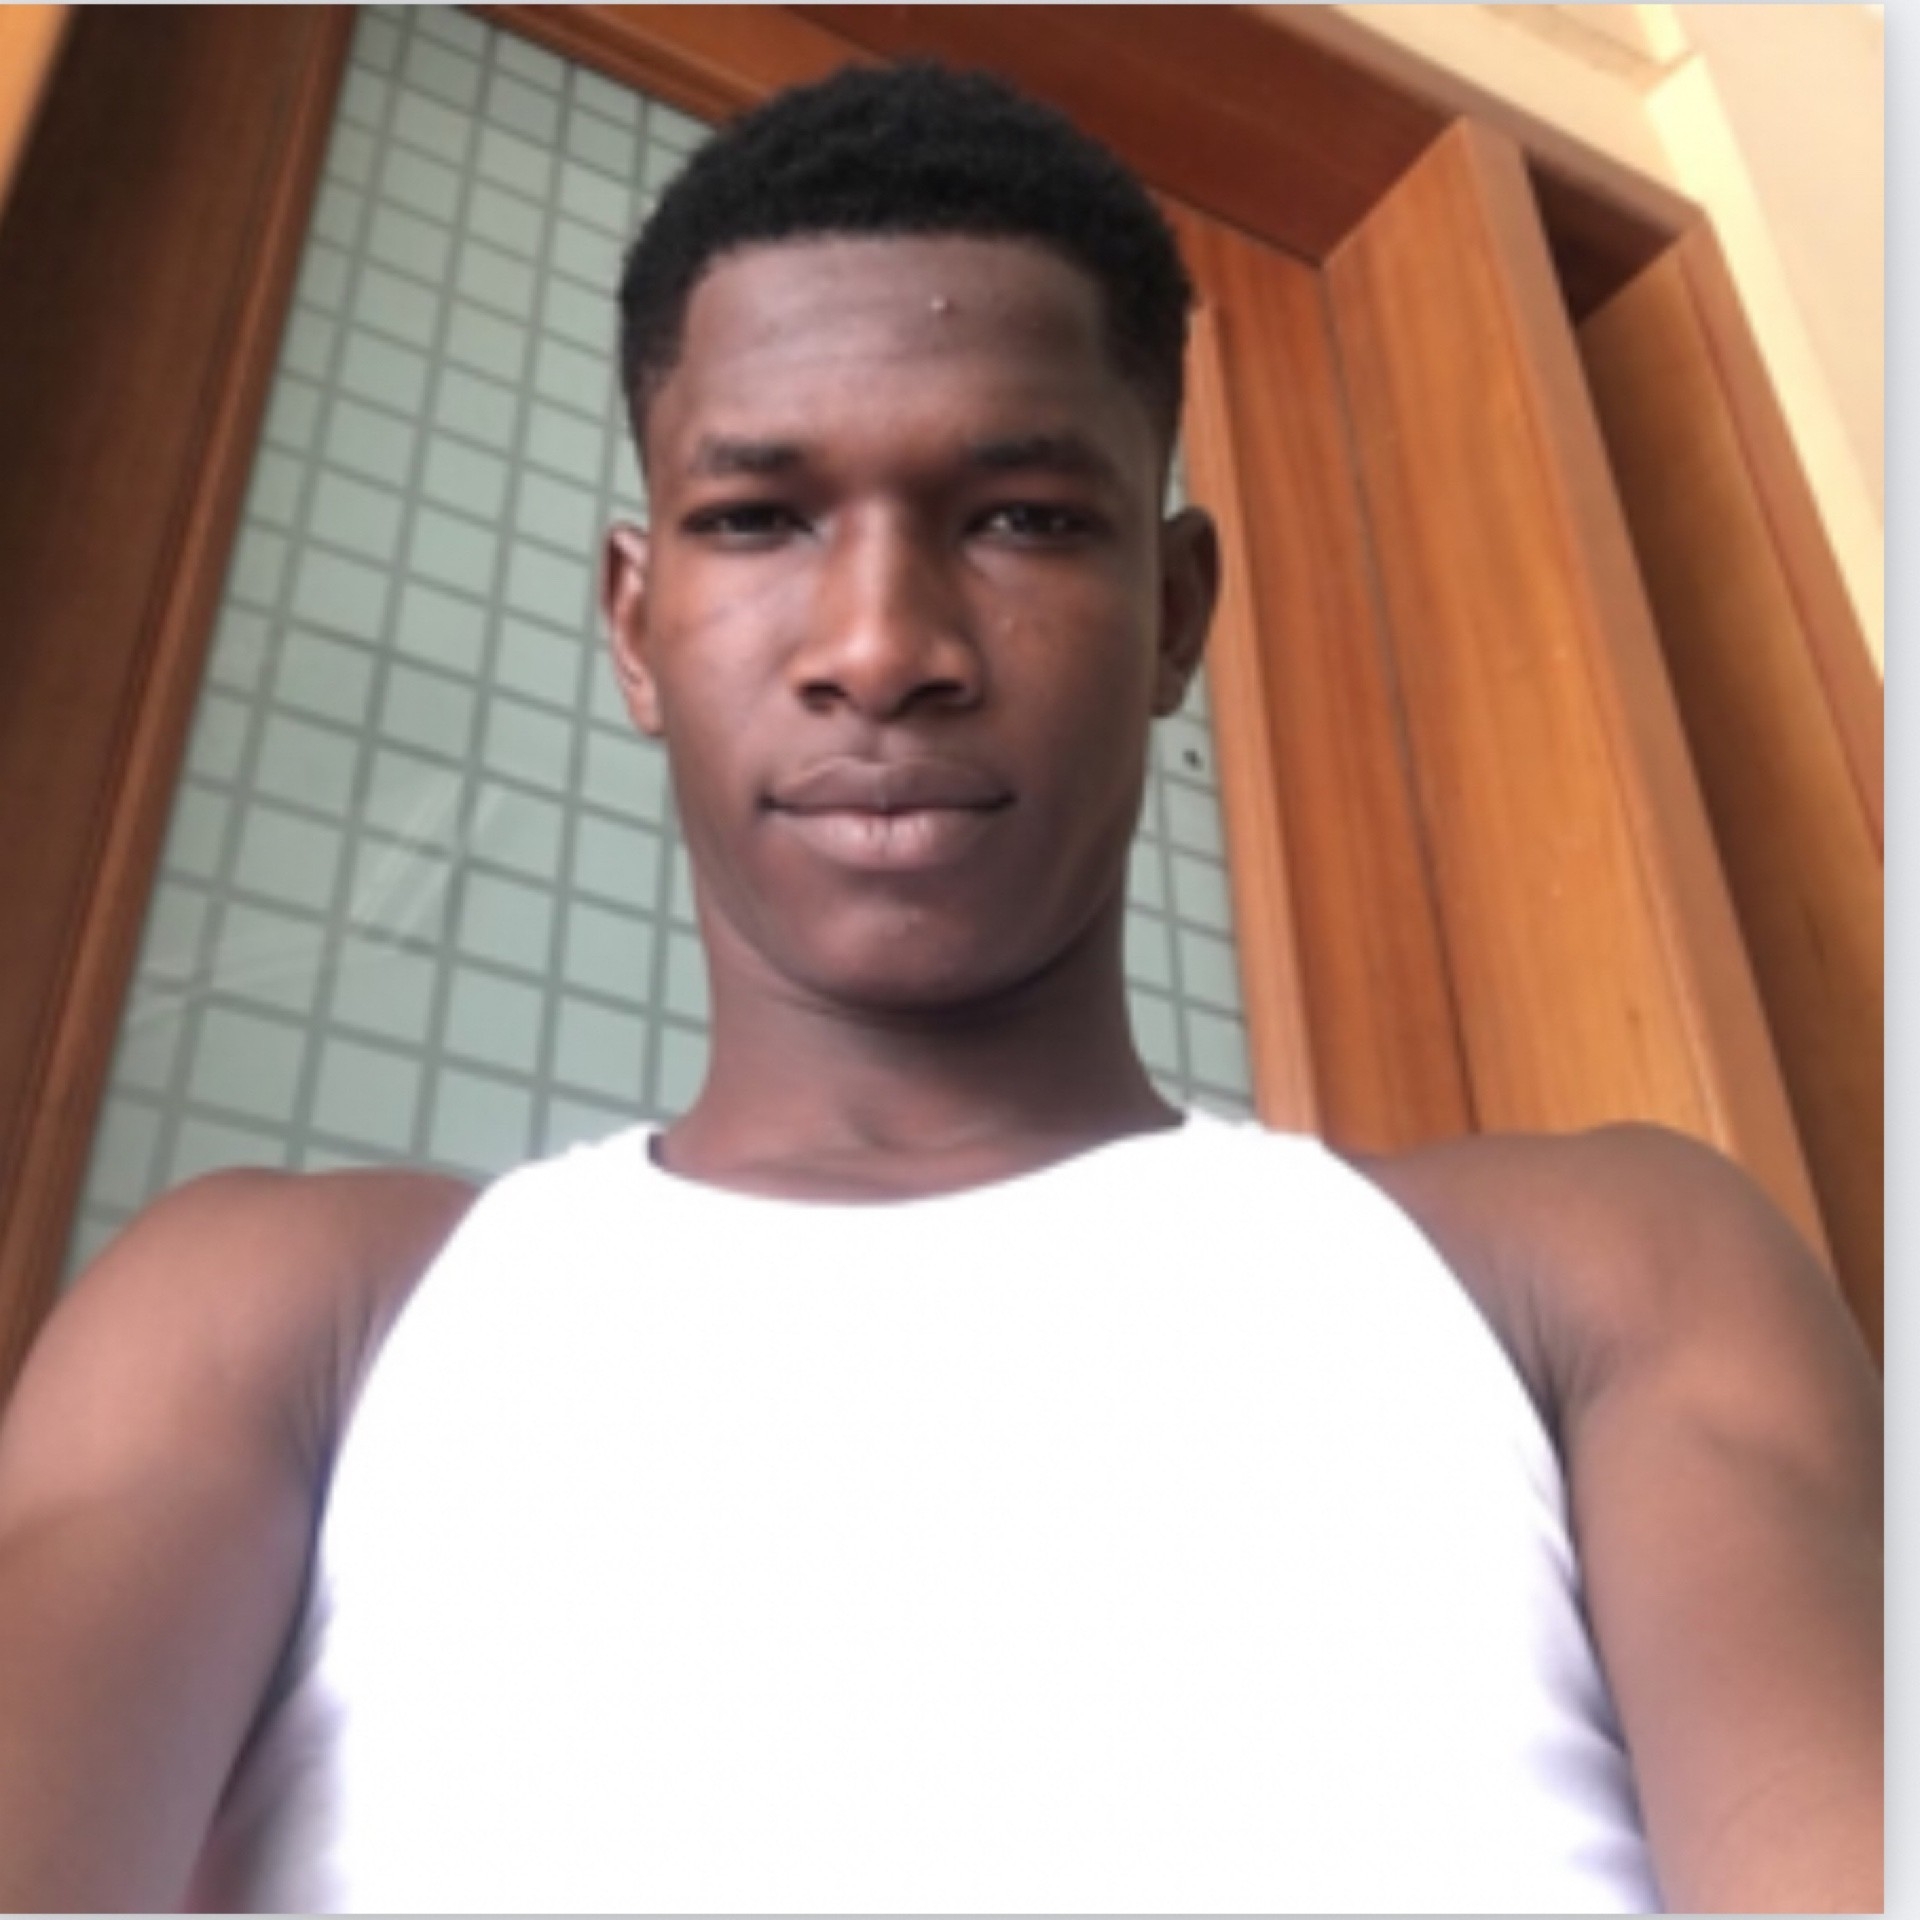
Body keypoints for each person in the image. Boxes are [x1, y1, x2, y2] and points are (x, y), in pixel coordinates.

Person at [0, 61, 1881, 1915]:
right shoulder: (271, 1322)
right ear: (634, 623)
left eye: (1022, 516)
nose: (883, 645)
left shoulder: (1599, 1277)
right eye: (759, 519)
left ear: (1175, 613)